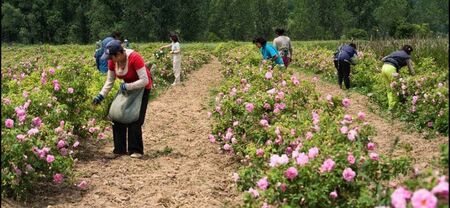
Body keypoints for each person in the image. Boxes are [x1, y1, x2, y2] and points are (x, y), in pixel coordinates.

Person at [92, 40, 153, 159]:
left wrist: (128, 86)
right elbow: (109, 81)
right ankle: (119, 149)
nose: (110, 60)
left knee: (135, 118)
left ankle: (136, 150)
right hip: (127, 87)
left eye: (112, 57)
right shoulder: (112, 62)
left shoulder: (135, 58)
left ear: (119, 54)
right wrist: (101, 96)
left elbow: (144, 80)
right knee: (117, 114)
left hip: (142, 88)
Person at [381, 45, 415, 110]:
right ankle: (394, 108)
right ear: (409, 52)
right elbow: (411, 70)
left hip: (384, 67)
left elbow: (383, 59)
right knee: (395, 89)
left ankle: (390, 107)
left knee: (389, 89)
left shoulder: (395, 53)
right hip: (391, 69)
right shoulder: (407, 57)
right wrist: (414, 77)